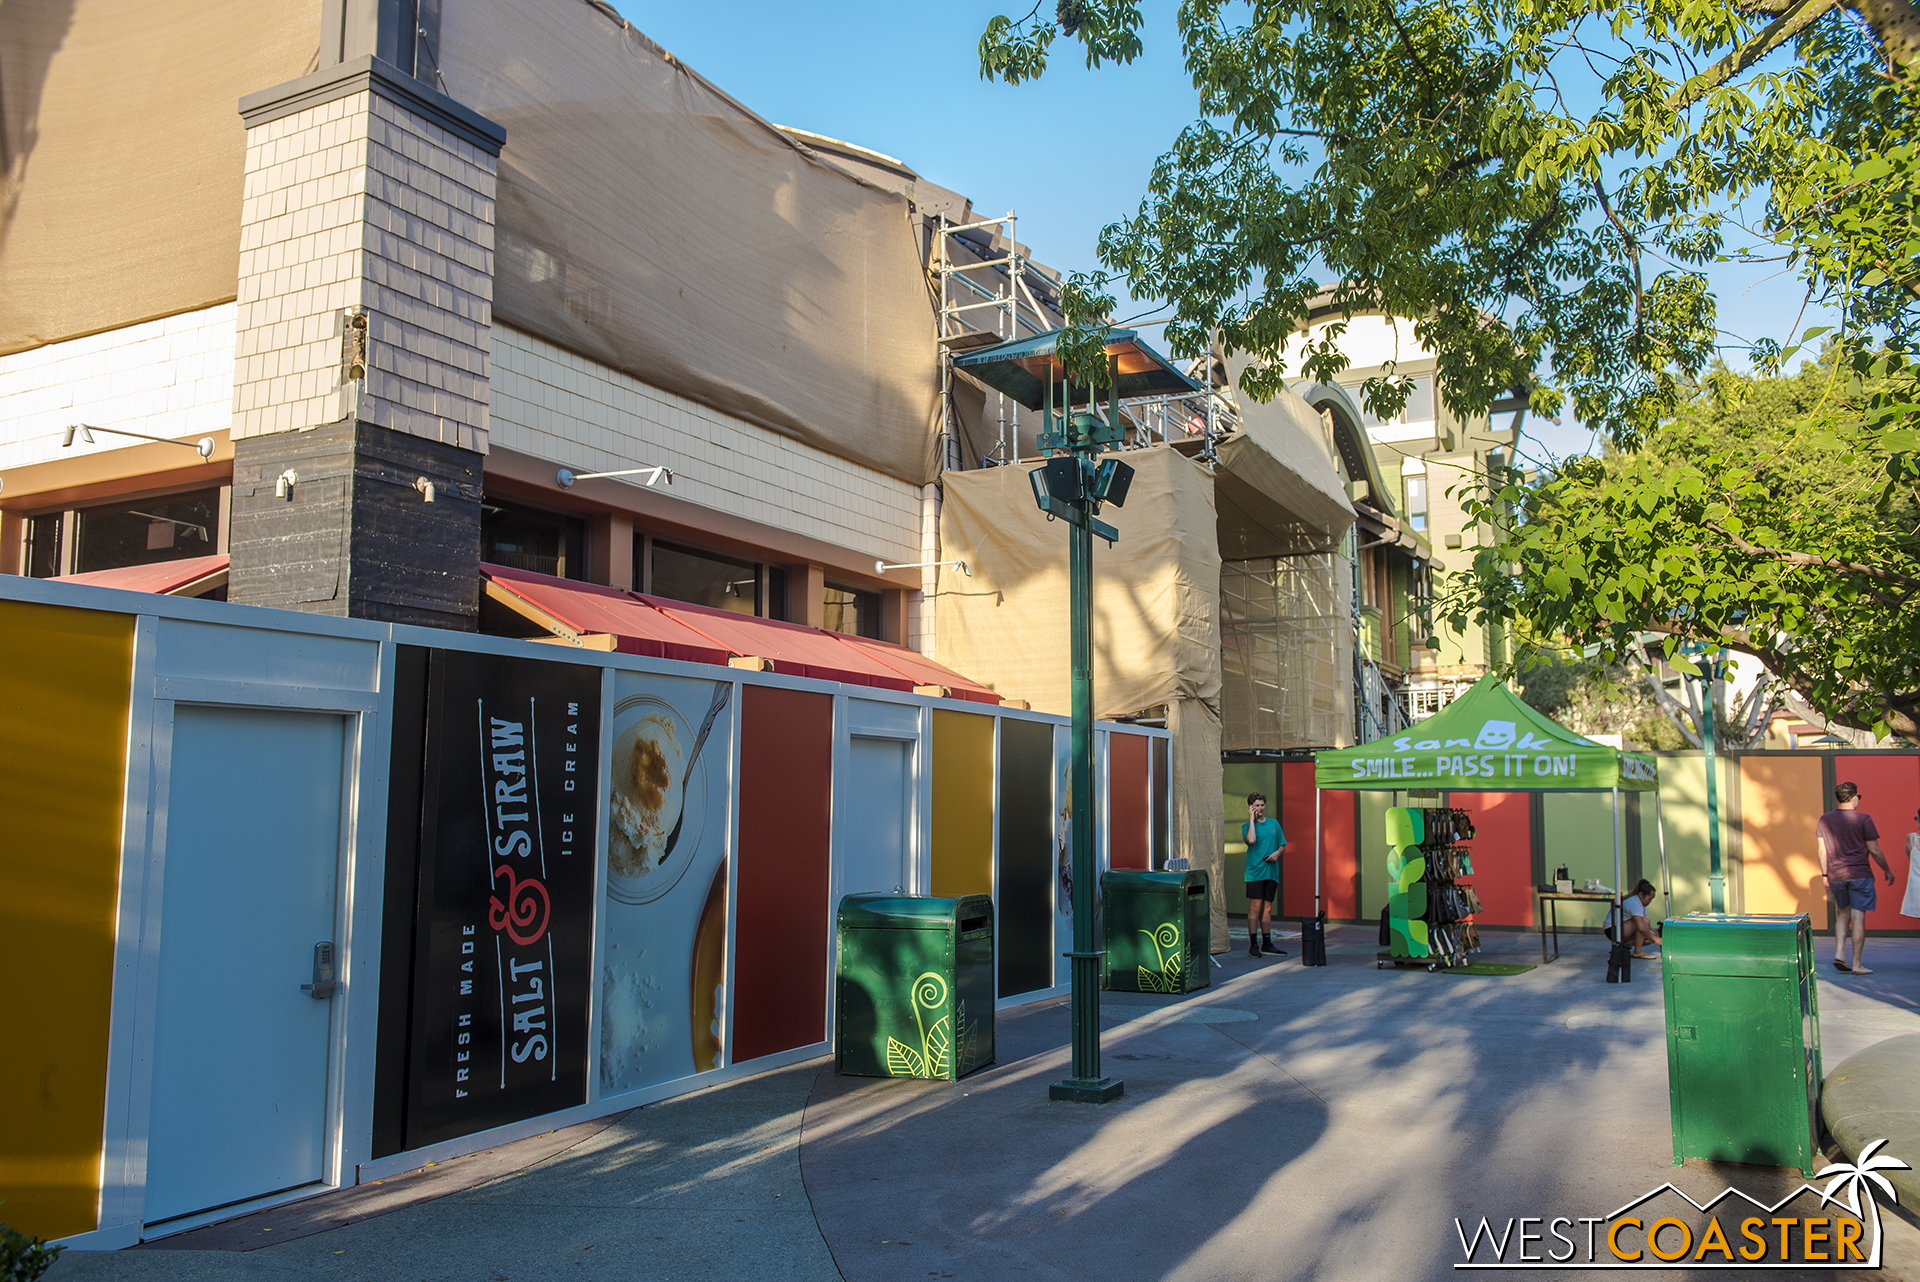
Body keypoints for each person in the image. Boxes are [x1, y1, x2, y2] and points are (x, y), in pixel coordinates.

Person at [1817, 781, 1896, 975]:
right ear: (1854, 798)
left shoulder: (1825, 820)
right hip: (1860, 874)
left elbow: (1821, 850)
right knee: (1858, 916)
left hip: (1836, 875)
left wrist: (1825, 875)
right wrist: (1887, 870)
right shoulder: (1864, 819)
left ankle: (1839, 953)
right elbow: (1874, 850)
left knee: (1842, 913)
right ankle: (1857, 964)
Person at [1242, 793, 1287, 958]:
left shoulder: (1274, 823)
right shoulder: (1247, 826)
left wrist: (1277, 853)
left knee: (1267, 909)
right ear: (1251, 807)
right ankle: (1253, 945)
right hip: (1255, 873)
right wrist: (1252, 819)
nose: (1260, 808)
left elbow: (1283, 845)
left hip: (1271, 872)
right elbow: (1251, 840)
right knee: (1255, 908)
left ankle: (1267, 943)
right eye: (1256, 806)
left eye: (1262, 805)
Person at [1607, 878, 1661, 960]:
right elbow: (1642, 927)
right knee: (1644, 923)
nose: (1650, 902)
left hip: (1623, 927)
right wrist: (1657, 939)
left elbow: (1647, 926)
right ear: (1641, 894)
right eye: (1649, 899)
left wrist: (1655, 935)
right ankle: (1637, 951)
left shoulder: (1641, 903)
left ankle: (1621, 945)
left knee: (1650, 938)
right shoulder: (1634, 902)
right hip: (1612, 929)